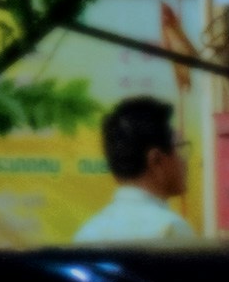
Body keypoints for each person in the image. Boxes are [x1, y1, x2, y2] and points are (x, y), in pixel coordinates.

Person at [75, 91, 200, 245]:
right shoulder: (170, 230)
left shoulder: (87, 232)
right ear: (156, 160)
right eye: (180, 148)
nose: (185, 160)